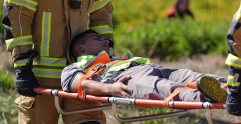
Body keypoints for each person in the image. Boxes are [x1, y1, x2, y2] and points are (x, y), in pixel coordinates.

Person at [62, 29, 231, 103]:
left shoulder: (113, 58)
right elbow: (81, 84)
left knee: (191, 76)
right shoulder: (75, 68)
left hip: (146, 68)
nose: (105, 41)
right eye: (97, 39)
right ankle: (206, 97)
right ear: (80, 48)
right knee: (162, 87)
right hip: (124, 79)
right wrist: (111, 89)